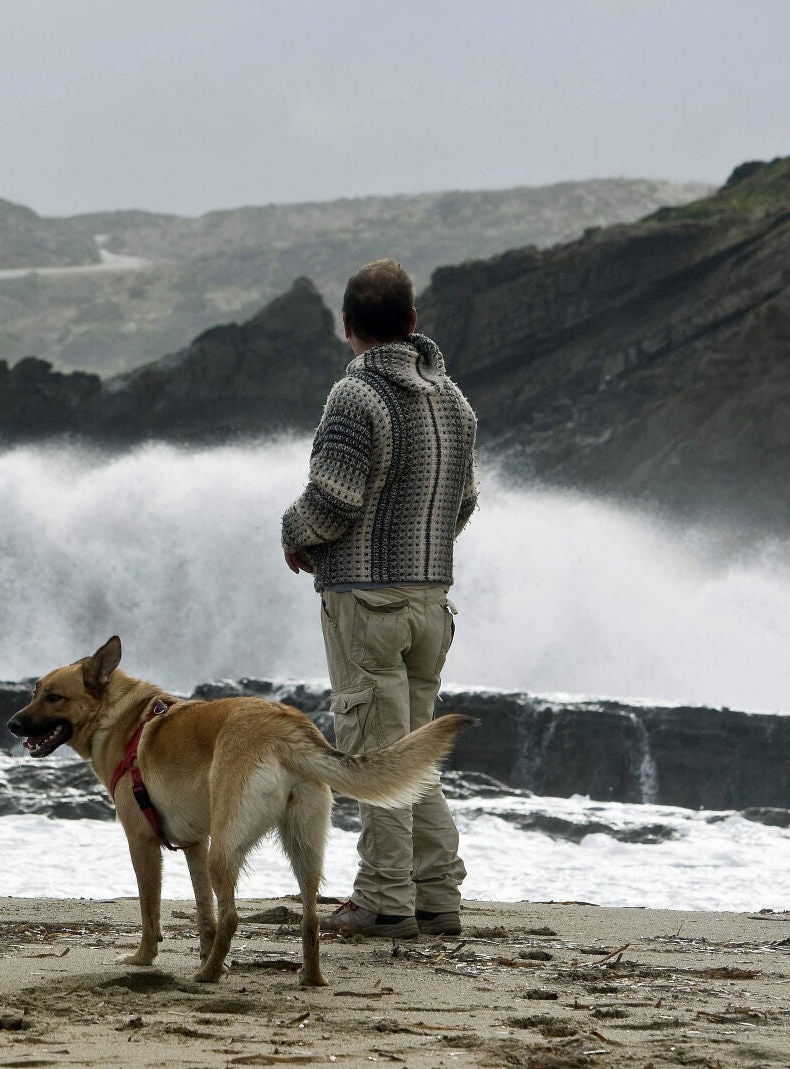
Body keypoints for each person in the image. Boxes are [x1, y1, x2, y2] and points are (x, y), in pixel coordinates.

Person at [279, 259, 478, 939]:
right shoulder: (454, 402)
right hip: (431, 602)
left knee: (375, 758)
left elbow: (332, 502)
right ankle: (436, 896)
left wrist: (293, 533)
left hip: (367, 604)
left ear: (348, 326)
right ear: (413, 322)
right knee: (414, 752)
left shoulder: (354, 398)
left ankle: (384, 899)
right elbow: (465, 501)